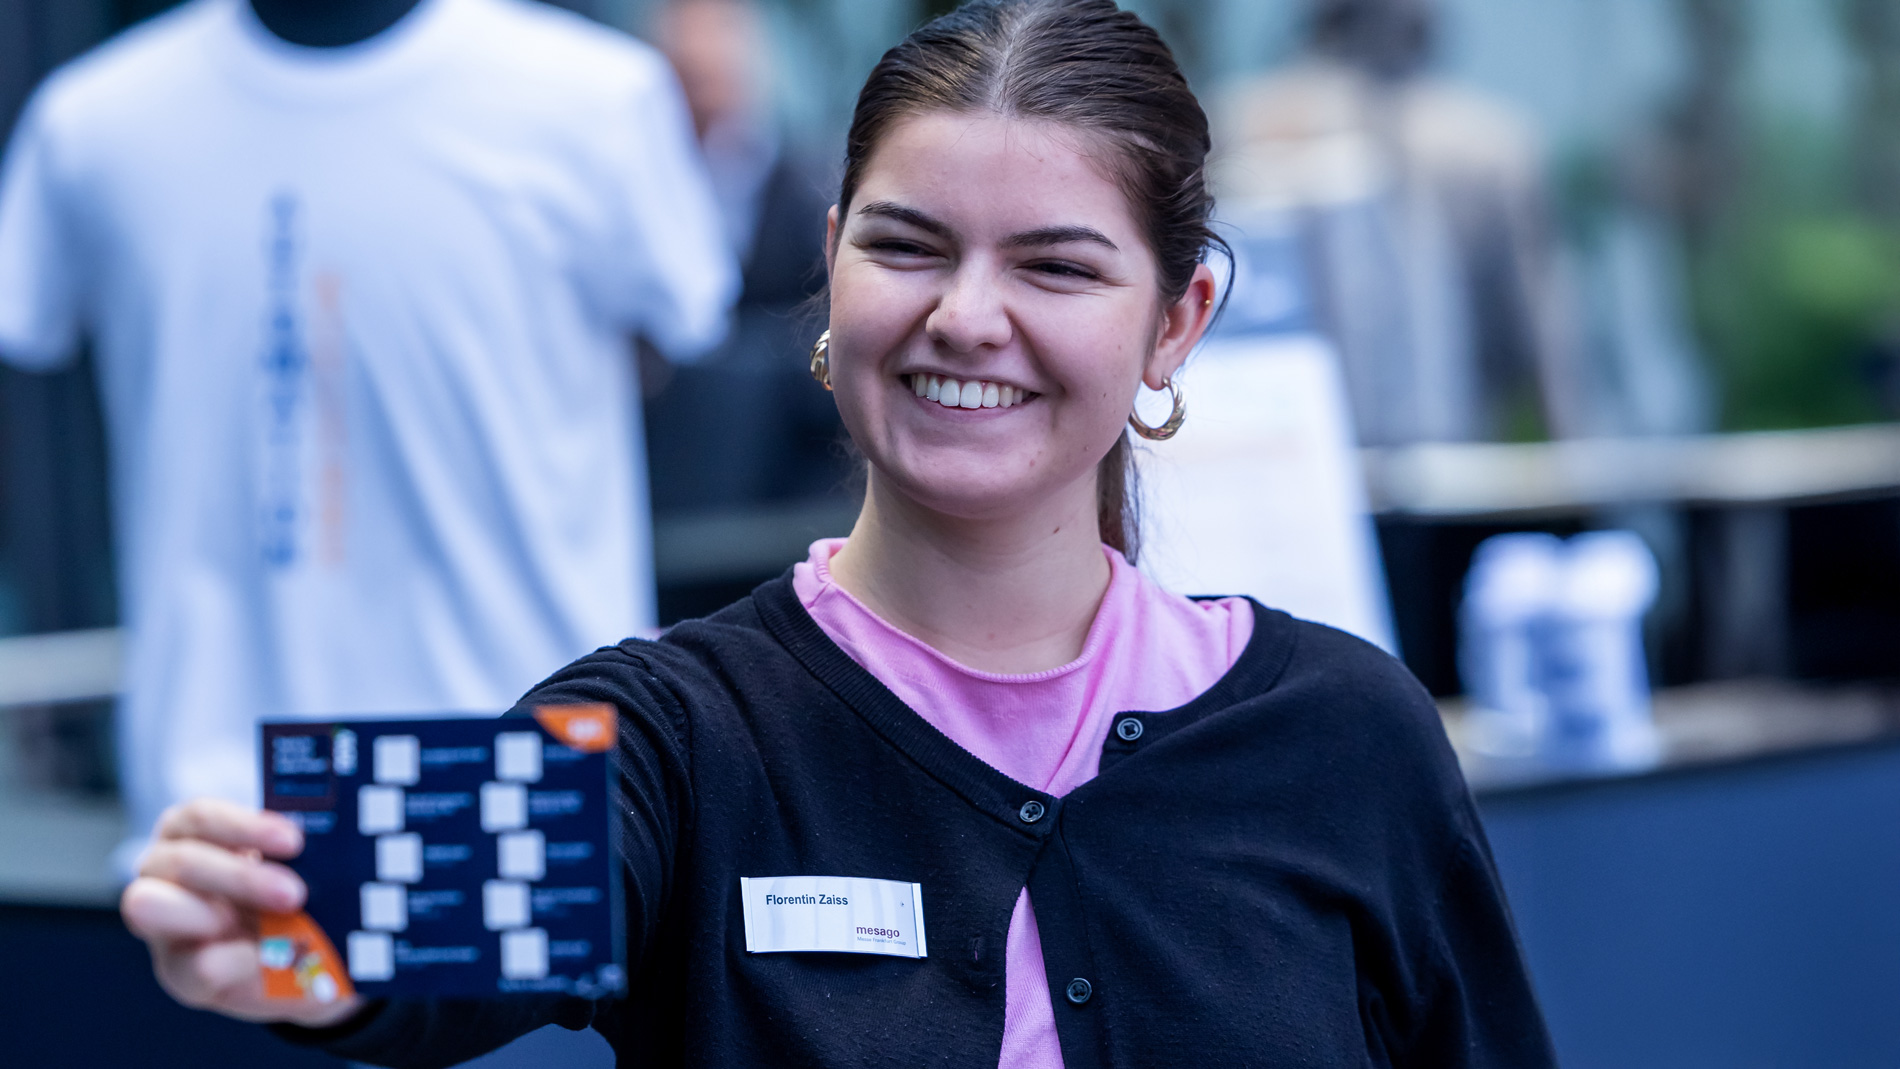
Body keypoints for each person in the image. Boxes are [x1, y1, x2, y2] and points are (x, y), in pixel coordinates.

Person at [119, 1, 1555, 1065]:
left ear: (1176, 323)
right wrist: (279, 917)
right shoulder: (681, 740)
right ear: (831, 263)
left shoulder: (1345, 734)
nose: (965, 316)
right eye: (907, 244)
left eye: (1055, 265)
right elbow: (411, 941)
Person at [0, 0, 736, 872]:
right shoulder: (94, 123)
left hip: (528, 799)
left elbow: (691, 316)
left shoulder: (599, 99)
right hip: (223, 832)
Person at [1215, 0, 1581, 446]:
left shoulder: (1488, 146)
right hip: (1291, 449)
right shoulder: (1246, 126)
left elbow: (1550, 353)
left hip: (1448, 461)